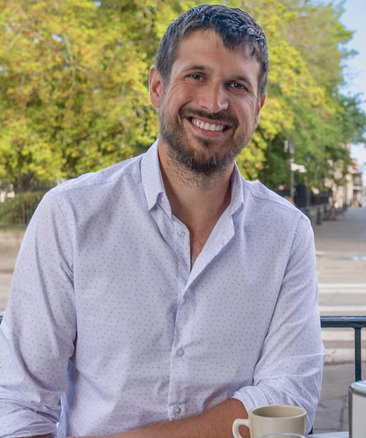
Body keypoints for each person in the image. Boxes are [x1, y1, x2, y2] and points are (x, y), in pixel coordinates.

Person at [0, 5, 325, 438]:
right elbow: (19, 402)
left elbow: (291, 395)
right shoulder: (71, 214)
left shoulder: (286, 233)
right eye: (196, 76)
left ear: (259, 105)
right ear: (157, 86)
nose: (214, 102)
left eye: (236, 85)